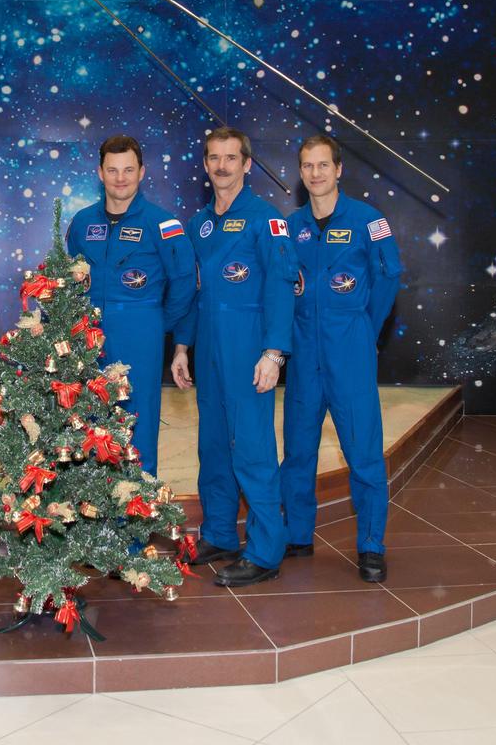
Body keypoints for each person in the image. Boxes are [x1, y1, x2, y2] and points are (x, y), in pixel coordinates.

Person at [171, 128, 299, 587]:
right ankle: (221, 533)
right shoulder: (199, 224)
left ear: (247, 164)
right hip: (208, 347)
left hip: (249, 347)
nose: (221, 166)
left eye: (231, 158)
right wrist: (183, 345)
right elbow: (191, 291)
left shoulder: (267, 220)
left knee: (252, 448)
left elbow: (283, 286)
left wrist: (274, 353)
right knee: (213, 447)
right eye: (213, 158)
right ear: (205, 165)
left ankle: (265, 550)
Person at [281, 133, 403, 583]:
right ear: (301, 172)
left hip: (348, 353)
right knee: (297, 452)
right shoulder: (290, 227)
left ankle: (371, 545)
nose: (315, 174)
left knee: (364, 454)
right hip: (303, 354)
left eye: (322, 165)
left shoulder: (370, 222)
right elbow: (280, 286)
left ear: (338, 170)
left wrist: (363, 331)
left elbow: (389, 278)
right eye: (307, 166)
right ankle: (298, 534)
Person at [64, 135, 195, 475]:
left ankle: (133, 520)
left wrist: (157, 323)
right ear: (100, 173)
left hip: (139, 332)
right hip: (87, 335)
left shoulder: (162, 224)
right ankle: (89, 518)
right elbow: (68, 278)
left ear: (141, 172)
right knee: (88, 420)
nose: (120, 178)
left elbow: (184, 283)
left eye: (128, 170)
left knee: (137, 420)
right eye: (112, 170)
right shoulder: (81, 223)